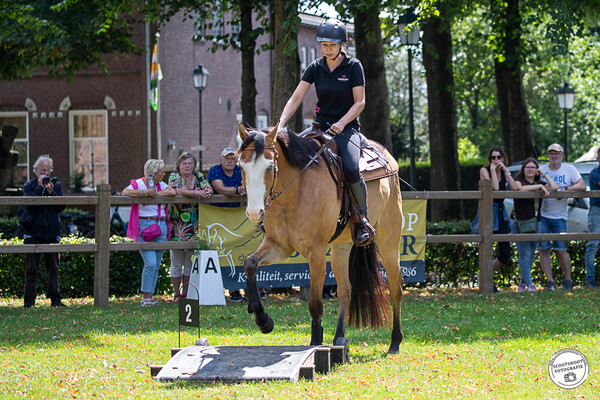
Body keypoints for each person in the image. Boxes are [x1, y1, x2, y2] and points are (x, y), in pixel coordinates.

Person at [276, 18, 374, 246]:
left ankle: (361, 219)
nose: (327, 49)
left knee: (350, 167)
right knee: (289, 156)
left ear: (342, 44)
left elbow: (360, 103)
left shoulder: (353, 66)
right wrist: (281, 123)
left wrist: (341, 123)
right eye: (323, 45)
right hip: (320, 126)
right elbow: (296, 98)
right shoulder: (315, 67)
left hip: (346, 128)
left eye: (332, 45)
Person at [123, 159, 175, 306]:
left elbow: (172, 192)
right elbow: (125, 192)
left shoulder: (161, 185)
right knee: (150, 263)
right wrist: (144, 193)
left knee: (157, 264)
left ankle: (149, 297)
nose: (164, 174)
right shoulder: (138, 183)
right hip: (145, 224)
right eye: (162, 171)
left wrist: (156, 194)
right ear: (154, 173)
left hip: (161, 224)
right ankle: (146, 297)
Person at [539, 143, 586, 291]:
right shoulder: (542, 169)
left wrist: (565, 190)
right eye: (551, 153)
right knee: (543, 249)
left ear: (562, 155)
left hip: (561, 216)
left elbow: (582, 185)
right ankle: (550, 281)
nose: (554, 156)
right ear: (548, 155)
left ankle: (568, 280)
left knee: (561, 250)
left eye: (557, 153)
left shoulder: (569, 169)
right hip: (544, 215)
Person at [21, 155, 66, 308]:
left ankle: (55, 300)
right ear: (35, 170)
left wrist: (51, 193)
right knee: (31, 269)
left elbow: (61, 207)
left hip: (51, 232)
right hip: (33, 232)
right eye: (43, 171)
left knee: (53, 268)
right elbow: (29, 206)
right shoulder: (29, 186)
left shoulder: (57, 185)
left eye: (48, 170)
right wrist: (40, 188)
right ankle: (29, 301)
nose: (46, 174)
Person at [168, 152, 213, 302]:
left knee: (189, 262)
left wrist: (207, 191)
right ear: (179, 166)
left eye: (190, 163)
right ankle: (176, 294)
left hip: (194, 225)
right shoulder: (174, 176)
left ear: (194, 165)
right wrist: (197, 192)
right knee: (176, 262)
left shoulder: (199, 176)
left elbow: (208, 187)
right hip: (177, 225)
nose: (187, 166)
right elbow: (177, 190)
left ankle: (186, 293)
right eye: (184, 163)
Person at [512, 158, 558, 292]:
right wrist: (539, 187)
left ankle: (522, 285)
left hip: (536, 222)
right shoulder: (519, 180)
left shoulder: (540, 181)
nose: (531, 169)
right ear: (523, 169)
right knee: (524, 253)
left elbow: (554, 188)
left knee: (531, 254)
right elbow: (519, 188)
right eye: (528, 167)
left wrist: (544, 175)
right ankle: (530, 284)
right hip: (520, 222)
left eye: (533, 167)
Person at [208, 147, 248, 301]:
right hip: (218, 219)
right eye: (227, 158)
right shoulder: (215, 170)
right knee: (222, 254)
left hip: (237, 218)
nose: (230, 161)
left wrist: (241, 189)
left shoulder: (239, 170)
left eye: (233, 158)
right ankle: (226, 289)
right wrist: (238, 190)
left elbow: (246, 185)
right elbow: (219, 188)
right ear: (221, 160)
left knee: (238, 252)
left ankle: (239, 289)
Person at [479, 146, 518, 290]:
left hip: (501, 213)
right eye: (493, 157)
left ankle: (484, 274)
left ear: (503, 158)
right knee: (487, 247)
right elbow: (495, 188)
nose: (496, 160)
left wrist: (506, 171)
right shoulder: (484, 170)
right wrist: (493, 170)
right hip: (488, 212)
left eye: (498, 157)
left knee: (505, 252)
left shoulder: (504, 171)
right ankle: (487, 281)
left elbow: (514, 188)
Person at [584, 148, 600, 289]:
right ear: (598, 159)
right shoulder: (595, 173)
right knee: (593, 245)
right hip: (597, 210)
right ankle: (590, 280)